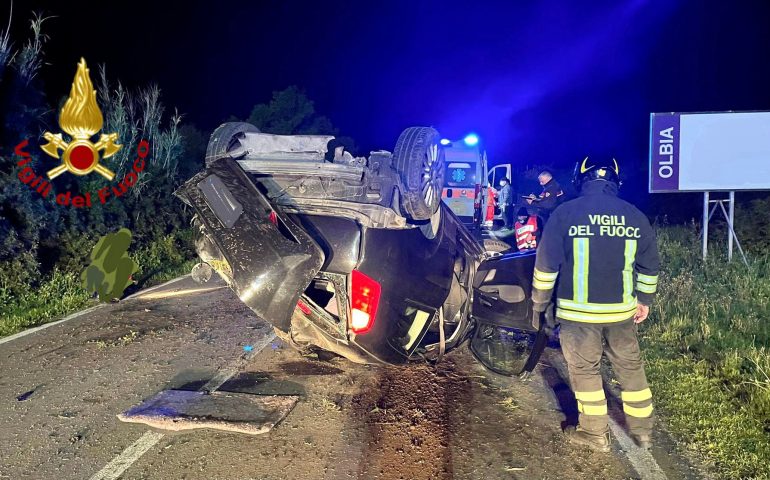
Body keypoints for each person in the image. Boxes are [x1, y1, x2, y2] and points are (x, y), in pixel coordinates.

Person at [530, 157, 660, 452]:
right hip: (621, 313)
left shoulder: (565, 213)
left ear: (580, 179)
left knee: (585, 370)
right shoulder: (634, 215)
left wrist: (539, 302)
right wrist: (644, 301)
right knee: (630, 367)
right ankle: (643, 431)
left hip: (578, 315)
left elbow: (546, 264)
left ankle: (594, 433)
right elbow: (650, 266)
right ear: (616, 181)